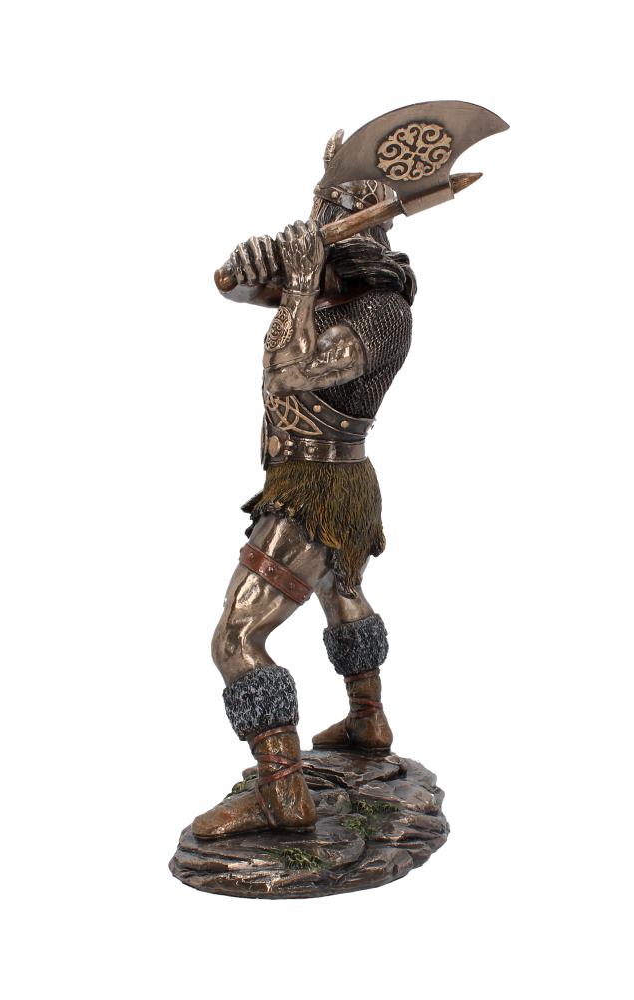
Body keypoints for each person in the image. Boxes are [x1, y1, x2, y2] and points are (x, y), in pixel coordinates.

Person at [191, 133, 416, 839]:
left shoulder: (381, 311)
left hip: (318, 490)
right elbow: (232, 286)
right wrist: (262, 263)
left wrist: (298, 279)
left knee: (237, 638)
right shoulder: (331, 293)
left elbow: (291, 370)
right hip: (330, 483)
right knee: (341, 594)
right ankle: (367, 719)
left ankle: (282, 793)